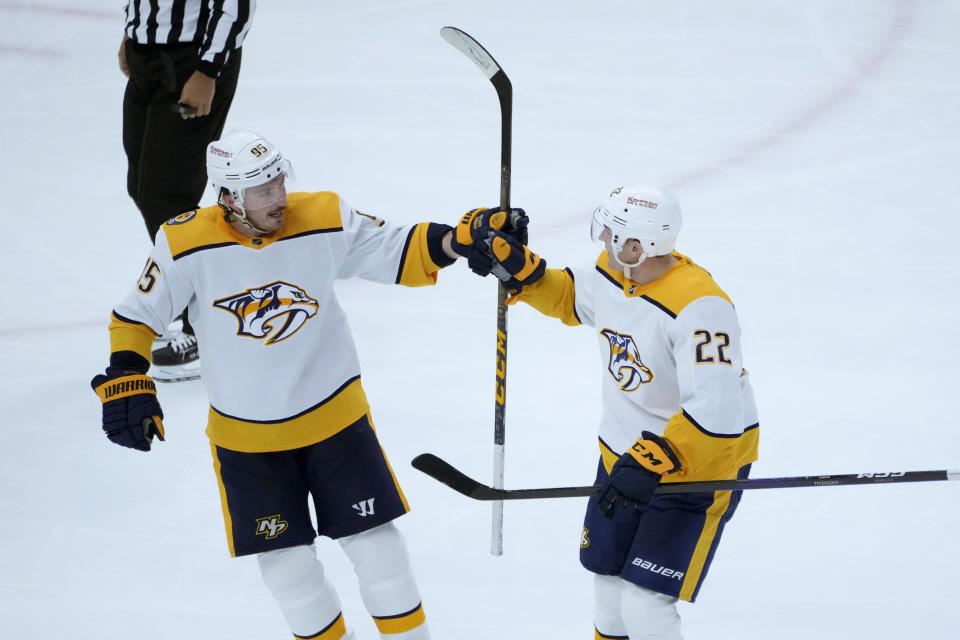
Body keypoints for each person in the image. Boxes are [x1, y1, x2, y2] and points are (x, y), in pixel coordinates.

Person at [90, 129, 521, 640]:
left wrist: (460, 239)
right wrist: (127, 376)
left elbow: (395, 247)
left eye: (279, 181)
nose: (279, 197)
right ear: (227, 198)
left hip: (334, 420)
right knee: (285, 567)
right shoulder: (185, 242)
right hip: (247, 441)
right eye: (262, 190)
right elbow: (135, 316)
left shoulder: (322, 217)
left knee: (376, 546)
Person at [472, 185, 759, 640]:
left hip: (694, 474)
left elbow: (718, 411)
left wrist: (655, 458)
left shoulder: (701, 308)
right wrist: (525, 275)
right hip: (622, 458)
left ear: (638, 245)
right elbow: (572, 297)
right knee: (609, 599)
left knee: (645, 607)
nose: (601, 238)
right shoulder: (615, 271)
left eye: (611, 232)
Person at [119, 1, 257, 380]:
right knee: (144, 187)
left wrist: (209, 69)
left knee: (166, 194)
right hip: (148, 55)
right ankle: (221, 301)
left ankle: (209, 327)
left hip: (193, 59)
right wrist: (134, 32)